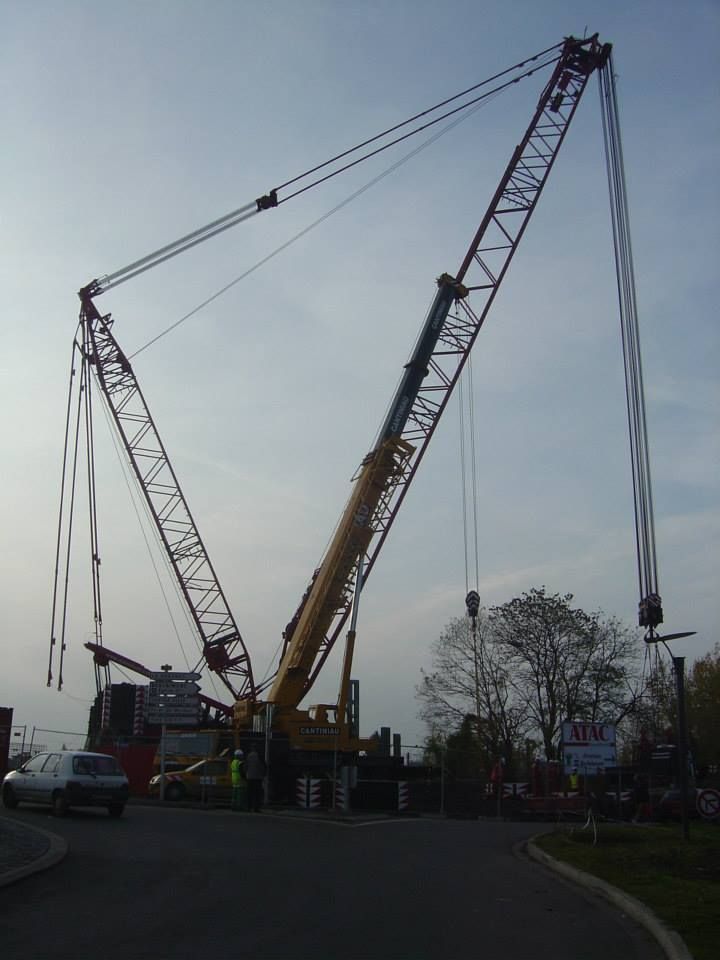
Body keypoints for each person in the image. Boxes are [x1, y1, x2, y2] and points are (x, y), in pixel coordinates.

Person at [245, 746, 266, 812]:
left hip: (249, 777)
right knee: (257, 794)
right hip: (258, 777)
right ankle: (256, 808)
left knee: (250, 793)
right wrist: (263, 775)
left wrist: (246, 774)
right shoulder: (260, 756)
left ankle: (249, 807)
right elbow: (264, 766)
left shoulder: (248, 756)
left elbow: (245, 766)